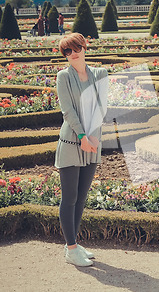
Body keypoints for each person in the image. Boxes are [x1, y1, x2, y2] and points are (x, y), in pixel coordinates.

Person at [55, 33, 108, 266]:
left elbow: (102, 107)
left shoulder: (100, 74)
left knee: (82, 197)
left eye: (76, 48)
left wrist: (92, 136)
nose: (73, 53)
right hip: (71, 141)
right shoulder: (63, 76)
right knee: (70, 197)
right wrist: (82, 135)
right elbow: (67, 111)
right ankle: (71, 248)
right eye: (67, 51)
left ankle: (73, 244)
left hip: (93, 141)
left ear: (84, 47)